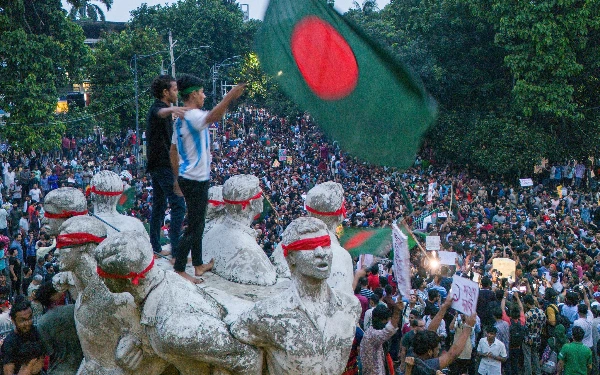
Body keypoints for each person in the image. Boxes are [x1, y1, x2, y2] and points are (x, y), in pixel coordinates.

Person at [230, 217, 360, 375]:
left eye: (325, 244)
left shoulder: (351, 306)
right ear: (291, 257)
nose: (321, 253)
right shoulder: (269, 314)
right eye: (309, 246)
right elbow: (238, 340)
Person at [169, 74, 245, 282]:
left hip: (188, 177)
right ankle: (180, 268)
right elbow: (213, 117)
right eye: (201, 92)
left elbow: (173, 150)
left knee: (198, 222)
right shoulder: (192, 115)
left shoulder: (180, 119)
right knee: (195, 226)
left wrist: (177, 177)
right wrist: (230, 96)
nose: (204, 96)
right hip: (195, 179)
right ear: (193, 94)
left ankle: (198, 264)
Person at [146, 75, 187, 261]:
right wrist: (174, 109)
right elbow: (160, 113)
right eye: (175, 89)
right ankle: (177, 250)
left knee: (159, 205)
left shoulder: (164, 110)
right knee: (178, 204)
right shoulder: (157, 108)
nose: (177, 93)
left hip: (159, 164)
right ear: (165, 92)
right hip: (162, 165)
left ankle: (155, 246)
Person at [1, 298, 48, 375]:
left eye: (29, 318)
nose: (27, 323)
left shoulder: (36, 332)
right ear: (13, 321)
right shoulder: (10, 343)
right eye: (22, 320)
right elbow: (8, 372)